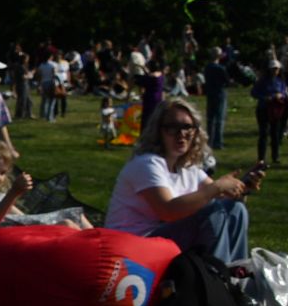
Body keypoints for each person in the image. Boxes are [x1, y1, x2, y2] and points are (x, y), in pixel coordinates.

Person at [104, 98, 260, 265]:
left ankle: (235, 274)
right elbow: (168, 210)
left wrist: (242, 188)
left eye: (187, 127)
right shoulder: (146, 163)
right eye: (172, 128)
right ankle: (218, 280)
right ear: (159, 132)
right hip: (132, 246)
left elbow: (224, 200)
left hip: (162, 241)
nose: (181, 134)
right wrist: (217, 187)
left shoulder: (188, 169)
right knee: (214, 213)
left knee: (235, 209)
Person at [0, 137, 89, 239]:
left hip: (8, 233)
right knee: (66, 225)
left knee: (76, 216)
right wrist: (13, 193)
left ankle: (102, 244)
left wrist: (39, 225)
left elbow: (22, 218)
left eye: (2, 173)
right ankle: (91, 250)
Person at [251, 60, 288, 168]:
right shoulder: (262, 81)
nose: (275, 71)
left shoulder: (280, 81)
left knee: (275, 133)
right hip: (264, 109)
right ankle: (261, 158)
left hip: (276, 110)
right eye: (273, 69)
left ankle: (275, 156)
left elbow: (284, 93)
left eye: (276, 69)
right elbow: (254, 93)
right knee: (263, 133)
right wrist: (265, 98)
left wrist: (280, 96)